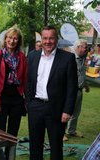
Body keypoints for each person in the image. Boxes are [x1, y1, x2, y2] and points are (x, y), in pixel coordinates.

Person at [26, 26, 78, 160]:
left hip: (56, 109)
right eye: (45, 38)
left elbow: (72, 87)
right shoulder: (32, 56)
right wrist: (29, 103)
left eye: (51, 38)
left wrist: (67, 110)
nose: (48, 41)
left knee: (56, 147)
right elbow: (29, 82)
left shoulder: (67, 58)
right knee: (35, 145)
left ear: (56, 40)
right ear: (41, 39)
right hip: (35, 107)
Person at [0, 26, 27, 160]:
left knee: (12, 134)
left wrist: (25, 99)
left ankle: (10, 158)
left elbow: (25, 79)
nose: (12, 41)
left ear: (19, 41)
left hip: (17, 100)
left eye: (15, 38)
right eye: (10, 38)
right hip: (1, 99)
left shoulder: (22, 57)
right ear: (5, 39)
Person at [64, 39, 89, 141]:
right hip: (71, 91)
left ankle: (71, 130)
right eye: (85, 47)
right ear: (78, 47)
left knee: (76, 112)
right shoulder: (70, 58)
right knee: (66, 112)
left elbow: (82, 74)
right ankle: (62, 132)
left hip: (80, 90)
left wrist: (86, 85)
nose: (86, 49)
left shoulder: (83, 58)